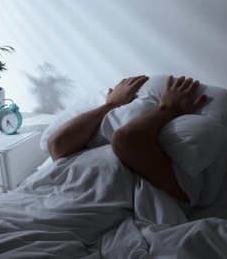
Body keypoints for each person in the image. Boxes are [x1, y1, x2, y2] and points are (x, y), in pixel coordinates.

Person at [47, 75, 207, 203]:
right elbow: (57, 143)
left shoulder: (175, 179)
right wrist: (111, 105)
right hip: (40, 198)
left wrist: (168, 111)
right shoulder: (80, 150)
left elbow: (126, 139)